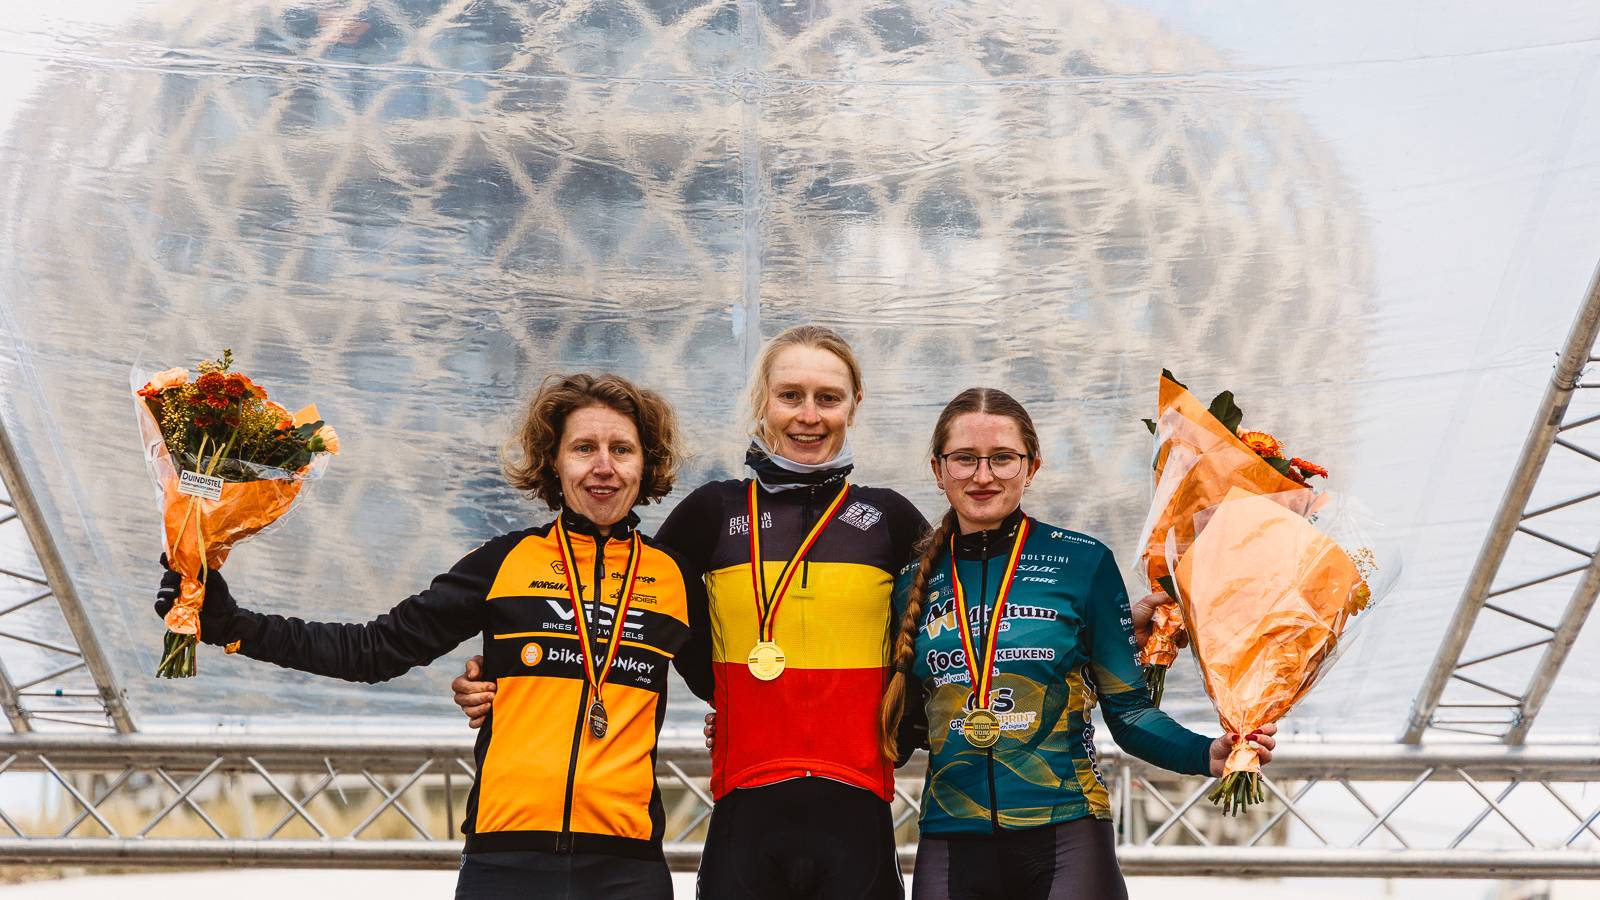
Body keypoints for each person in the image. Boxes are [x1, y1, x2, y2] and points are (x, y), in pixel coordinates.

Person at [155, 373, 714, 900]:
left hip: (627, 868)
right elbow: (374, 651)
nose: (603, 467)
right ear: (553, 461)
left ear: (646, 463)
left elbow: (729, 685)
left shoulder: (675, 578)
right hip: (505, 859)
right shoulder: (505, 562)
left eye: (622, 449)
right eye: (584, 448)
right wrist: (234, 626)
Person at [454, 325, 929, 899]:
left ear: (854, 404)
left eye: (828, 398)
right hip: (745, 808)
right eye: (790, 395)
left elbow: (951, 630)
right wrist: (507, 671)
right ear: (762, 402)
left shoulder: (889, 518)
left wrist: (908, 724)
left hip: (858, 808)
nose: (809, 415)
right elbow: (624, 603)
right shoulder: (714, 510)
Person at [877, 387, 1277, 900]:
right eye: (965, 459)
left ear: (1033, 466)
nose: (983, 476)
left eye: (1003, 458)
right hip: (951, 839)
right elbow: (896, 724)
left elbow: (1130, 713)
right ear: (938, 469)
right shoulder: (909, 581)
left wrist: (1208, 753)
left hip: (1067, 835)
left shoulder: (1082, 562)